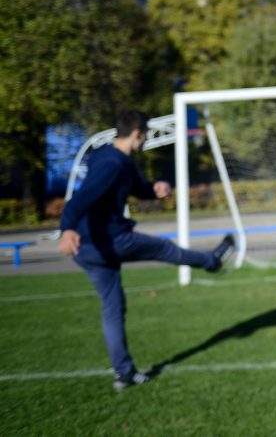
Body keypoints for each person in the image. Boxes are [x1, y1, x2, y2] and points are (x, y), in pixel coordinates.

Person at [58, 109, 236, 392]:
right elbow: (83, 197)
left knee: (113, 307)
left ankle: (124, 374)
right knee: (165, 249)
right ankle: (212, 260)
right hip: (111, 241)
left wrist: (155, 189)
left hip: (88, 250)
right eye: (145, 137)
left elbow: (137, 188)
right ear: (138, 134)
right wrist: (66, 227)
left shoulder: (108, 156)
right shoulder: (114, 164)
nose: (145, 143)